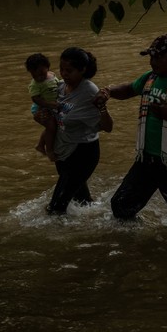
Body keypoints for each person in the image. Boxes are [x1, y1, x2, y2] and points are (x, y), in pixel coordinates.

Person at [99, 35, 167, 231]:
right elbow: (129, 89)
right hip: (147, 161)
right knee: (121, 206)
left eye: (159, 57)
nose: (153, 62)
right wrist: (108, 91)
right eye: (152, 57)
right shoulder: (150, 79)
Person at [46, 47, 113, 215]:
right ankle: (98, 224)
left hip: (83, 153)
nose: (64, 74)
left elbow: (108, 127)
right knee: (82, 202)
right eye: (61, 69)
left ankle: (60, 239)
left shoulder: (89, 91)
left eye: (69, 70)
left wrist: (102, 107)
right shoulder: (60, 87)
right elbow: (57, 117)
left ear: (82, 70)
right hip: (63, 150)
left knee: (55, 208)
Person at [25, 53, 62, 160]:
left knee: (51, 127)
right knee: (51, 127)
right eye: (34, 74)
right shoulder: (35, 85)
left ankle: (40, 145)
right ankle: (49, 150)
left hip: (52, 106)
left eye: (41, 73)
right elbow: (35, 99)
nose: (38, 77)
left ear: (48, 68)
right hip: (41, 107)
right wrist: (48, 104)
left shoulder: (52, 75)